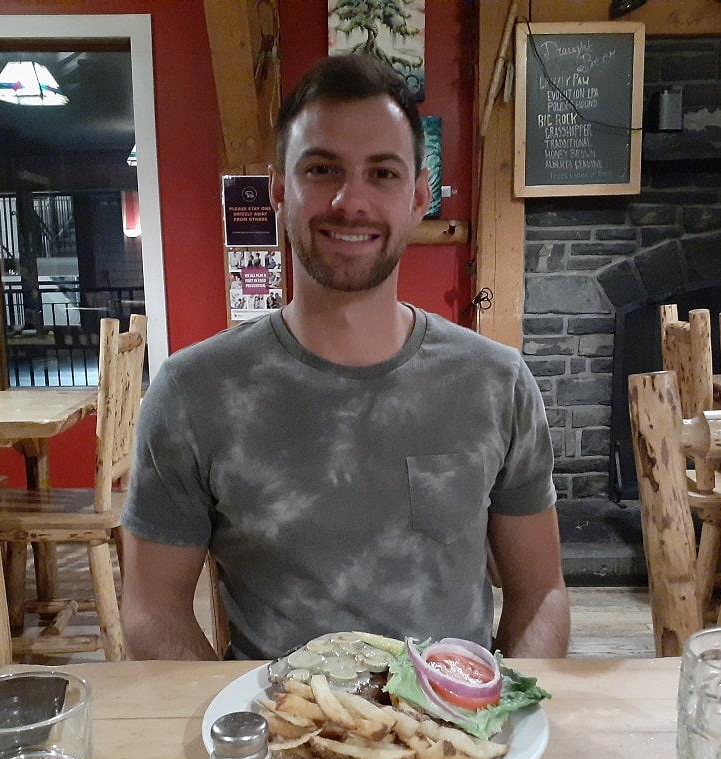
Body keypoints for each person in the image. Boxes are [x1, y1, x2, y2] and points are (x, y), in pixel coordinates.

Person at [120, 53, 570, 661]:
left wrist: (504, 723)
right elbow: (152, 610)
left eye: (382, 173)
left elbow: (540, 594)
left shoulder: (497, 383)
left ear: (418, 198)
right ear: (279, 190)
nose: (349, 200)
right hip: (280, 738)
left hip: (458, 739)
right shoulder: (191, 393)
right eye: (323, 169)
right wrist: (243, 737)